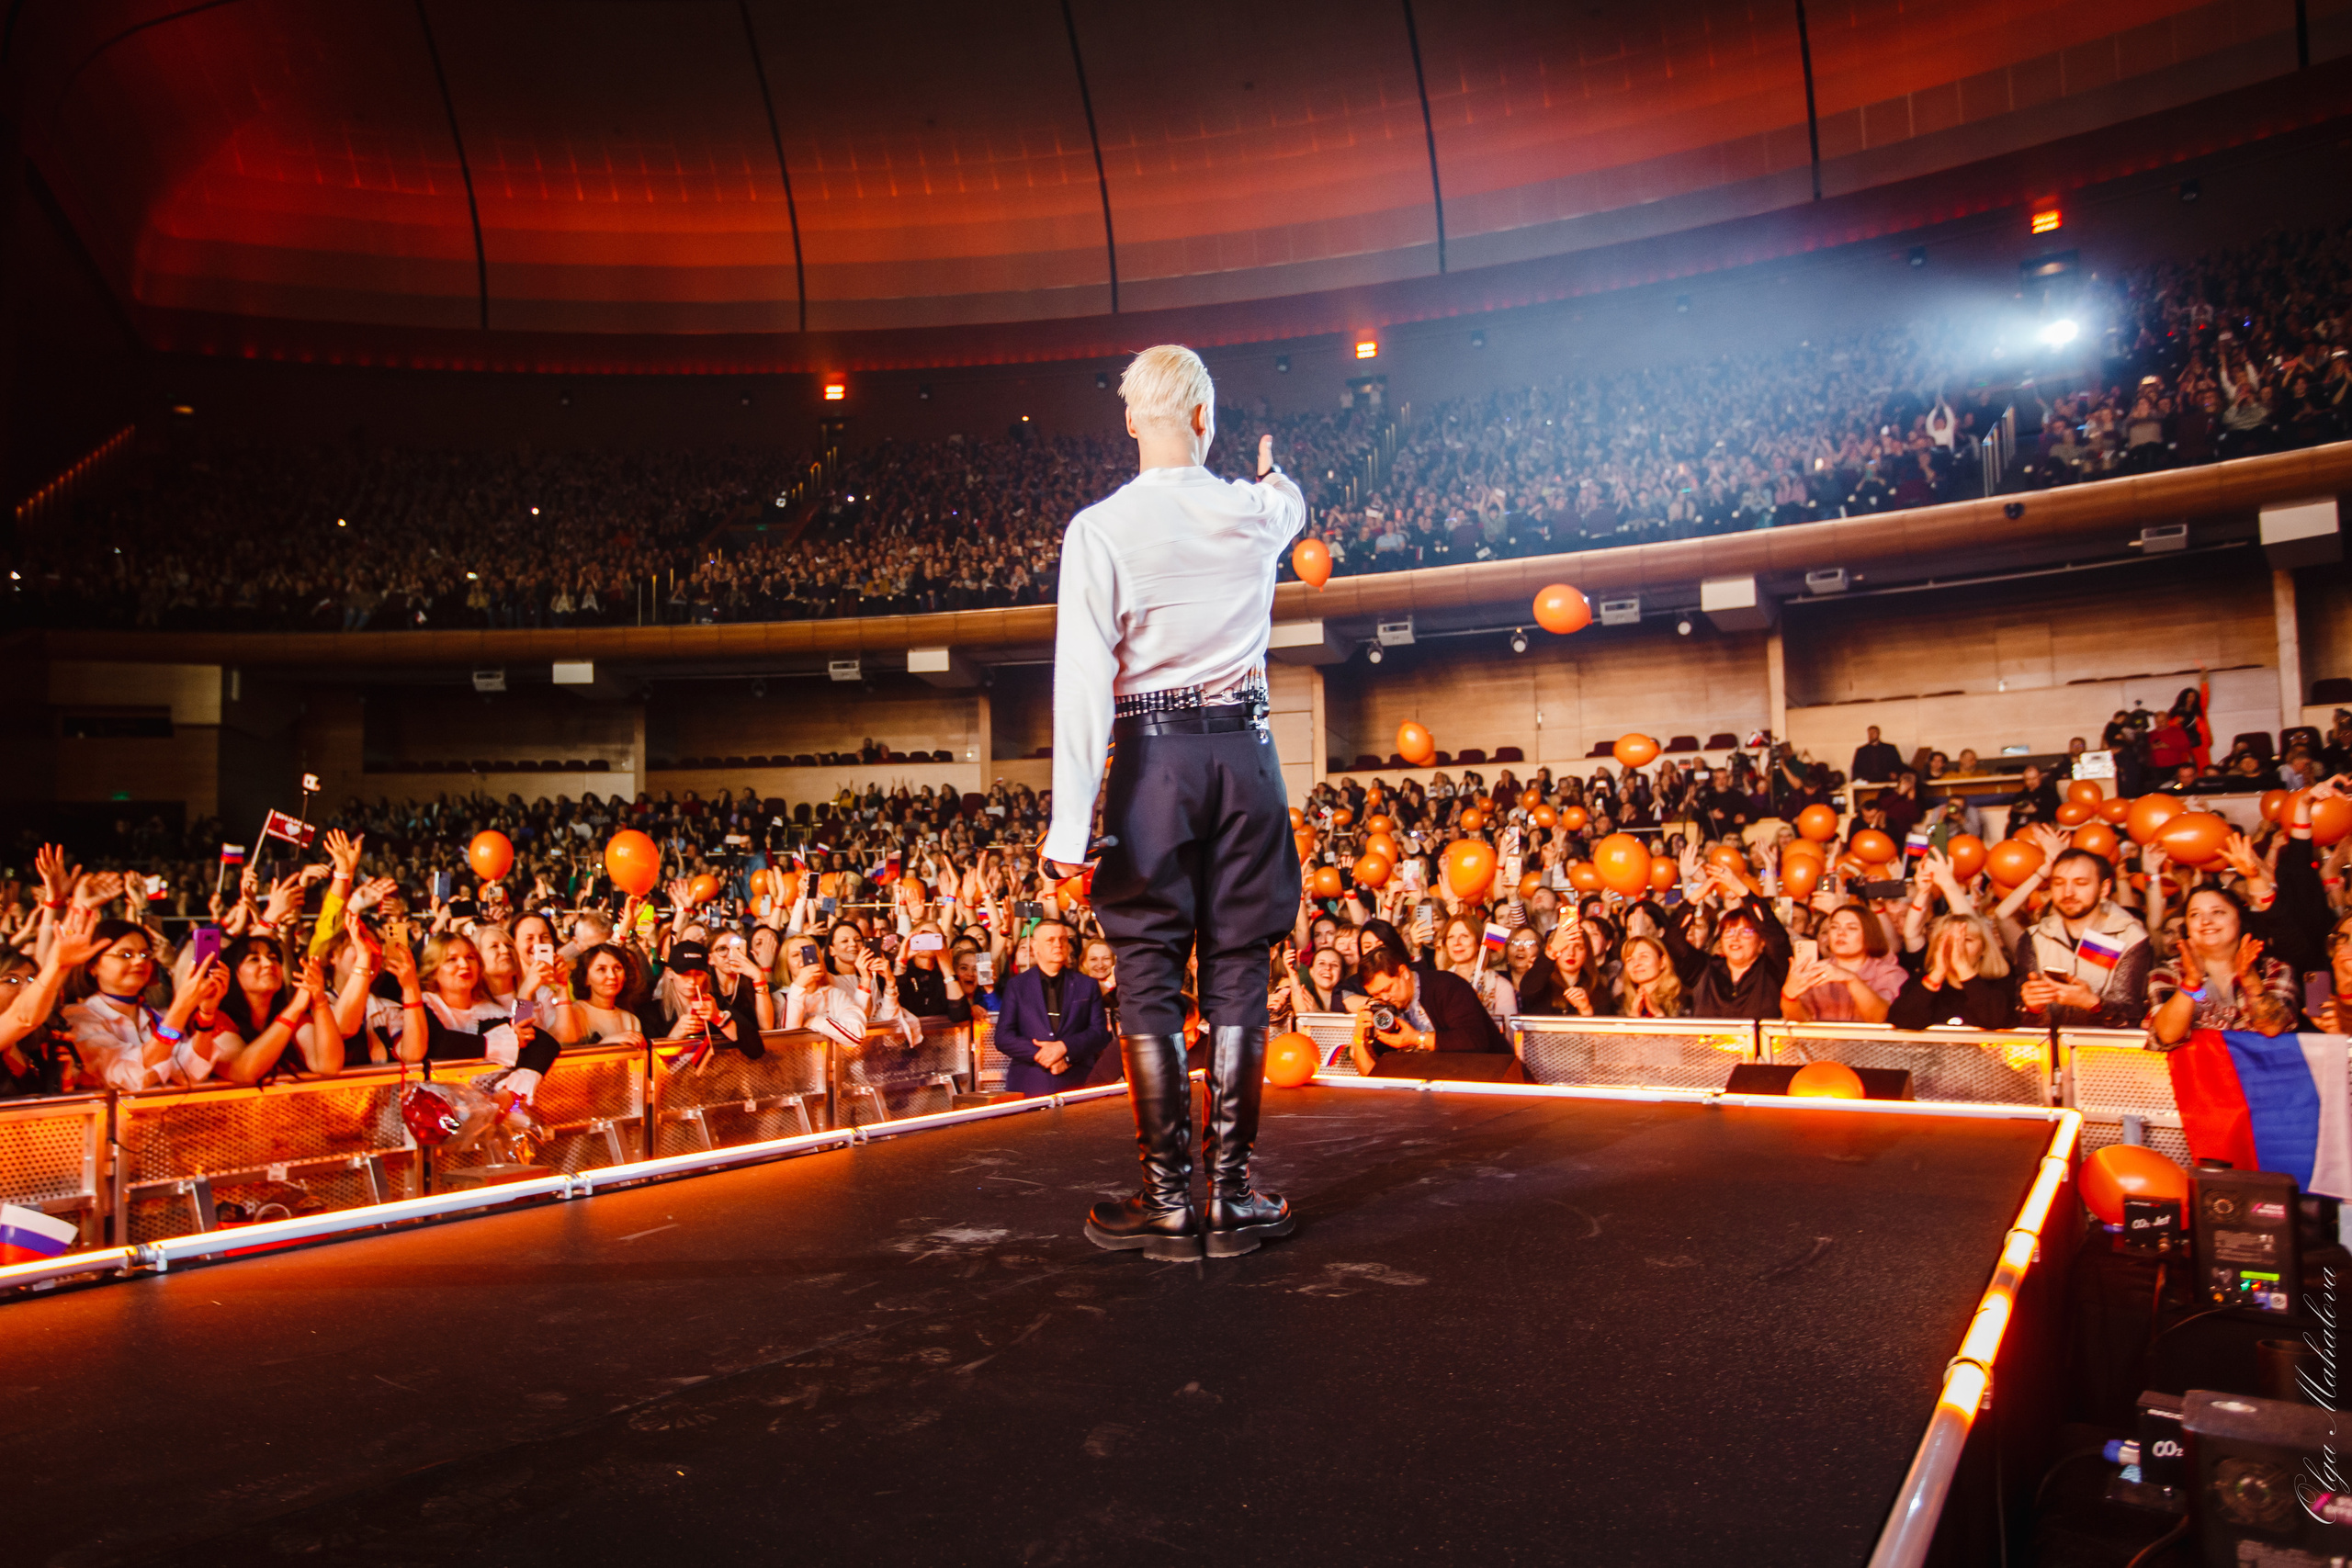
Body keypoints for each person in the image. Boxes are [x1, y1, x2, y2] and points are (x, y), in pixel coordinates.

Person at [1043, 344, 1306, 1261]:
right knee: (1240, 960)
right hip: (1249, 757)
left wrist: (1067, 836)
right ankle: (1230, 1197)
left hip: (1149, 760)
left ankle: (1166, 1199)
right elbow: (1288, 502)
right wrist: (1272, 473)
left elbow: (1081, 685)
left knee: (1148, 963)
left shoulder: (1098, 529)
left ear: (1129, 422)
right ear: (1205, 418)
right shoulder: (1254, 512)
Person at [2008, 848, 2152, 1028]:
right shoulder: (2035, 937)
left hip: (2105, 1052)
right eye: (2059, 883)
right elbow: (2024, 1019)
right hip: (2047, 1050)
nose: (2068, 893)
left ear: (2104, 888)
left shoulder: (2129, 937)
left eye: (2081, 883)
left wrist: (2092, 1003)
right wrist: (2033, 1007)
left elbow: (2129, 1018)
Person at [993, 918, 1112, 1096]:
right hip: (1029, 1082)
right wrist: (1042, 1054)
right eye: (1050, 940)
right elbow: (1004, 1037)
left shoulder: (1087, 985)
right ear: (1035, 946)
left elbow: (1099, 1033)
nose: (1058, 945)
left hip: (1076, 1081)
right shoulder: (1017, 986)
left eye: (1063, 939)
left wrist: (1064, 1049)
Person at [1350, 945, 1511, 1069]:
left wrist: (1417, 1039)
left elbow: (1474, 1041)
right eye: (1376, 995)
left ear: (1404, 972)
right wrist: (1359, 1038)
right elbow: (1372, 1075)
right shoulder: (1384, 1010)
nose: (1384, 998)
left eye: (1388, 989)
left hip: (1493, 1081)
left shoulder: (1446, 986)